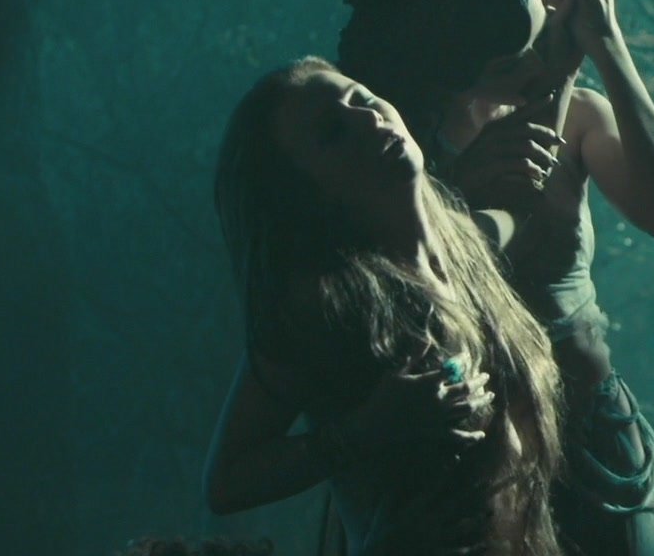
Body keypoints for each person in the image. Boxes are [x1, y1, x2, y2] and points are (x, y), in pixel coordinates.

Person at [337, 0, 654, 556]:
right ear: (447, 72)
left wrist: (608, 47)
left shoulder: (577, 112)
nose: (538, 64)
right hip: (472, 454)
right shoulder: (397, 156)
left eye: (537, 35)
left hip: (592, 431)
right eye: (510, 62)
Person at [204, 57, 566, 556]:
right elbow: (226, 482)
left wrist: (566, 65)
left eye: (362, 98)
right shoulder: (324, 306)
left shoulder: (466, 245)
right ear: (305, 192)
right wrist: (367, 429)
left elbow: (520, 205)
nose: (367, 118)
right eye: (333, 132)